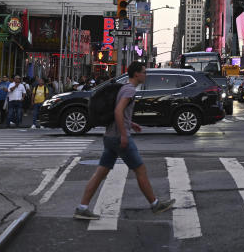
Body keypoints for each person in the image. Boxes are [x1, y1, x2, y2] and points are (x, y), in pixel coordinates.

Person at [74, 61, 175, 220]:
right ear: (136, 74)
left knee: (100, 173)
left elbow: (120, 113)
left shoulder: (124, 88)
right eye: (144, 72)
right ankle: (155, 204)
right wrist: (123, 134)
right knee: (140, 170)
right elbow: (118, 111)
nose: (145, 75)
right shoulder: (129, 91)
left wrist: (131, 124)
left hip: (109, 137)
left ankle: (82, 207)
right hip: (118, 138)